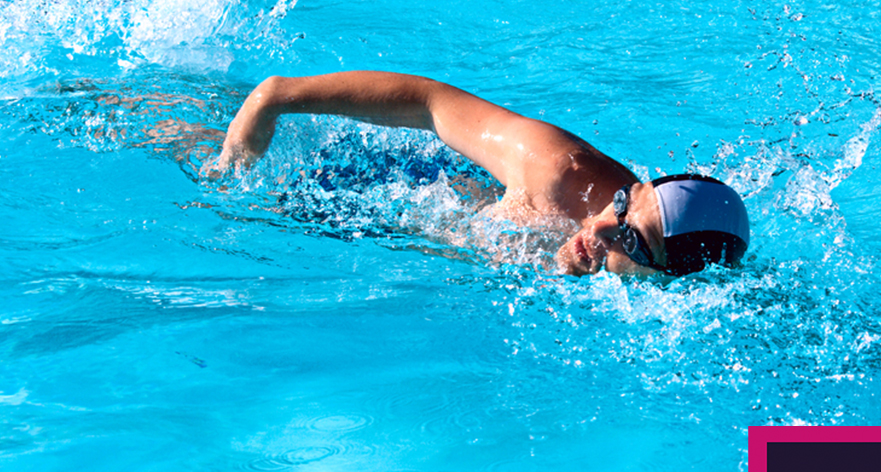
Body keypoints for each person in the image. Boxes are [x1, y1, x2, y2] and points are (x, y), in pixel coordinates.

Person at [211, 71, 750, 276]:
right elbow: (431, 104)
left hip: (392, 240)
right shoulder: (559, 172)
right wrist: (277, 98)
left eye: (634, 238)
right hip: (366, 185)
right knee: (185, 152)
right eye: (623, 207)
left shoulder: (678, 294)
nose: (605, 226)